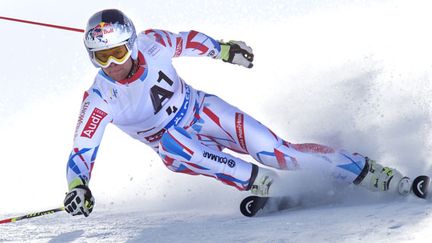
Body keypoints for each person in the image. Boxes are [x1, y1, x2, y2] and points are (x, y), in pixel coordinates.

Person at [63, 9, 412, 217]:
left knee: (279, 153)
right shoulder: (99, 98)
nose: (112, 65)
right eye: (101, 58)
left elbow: (188, 41)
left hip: (202, 110)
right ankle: (261, 183)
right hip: (180, 147)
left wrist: (225, 50)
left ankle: (368, 172)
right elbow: (82, 150)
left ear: (133, 44)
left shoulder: (154, 42)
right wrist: (78, 186)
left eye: (118, 53)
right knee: (173, 142)